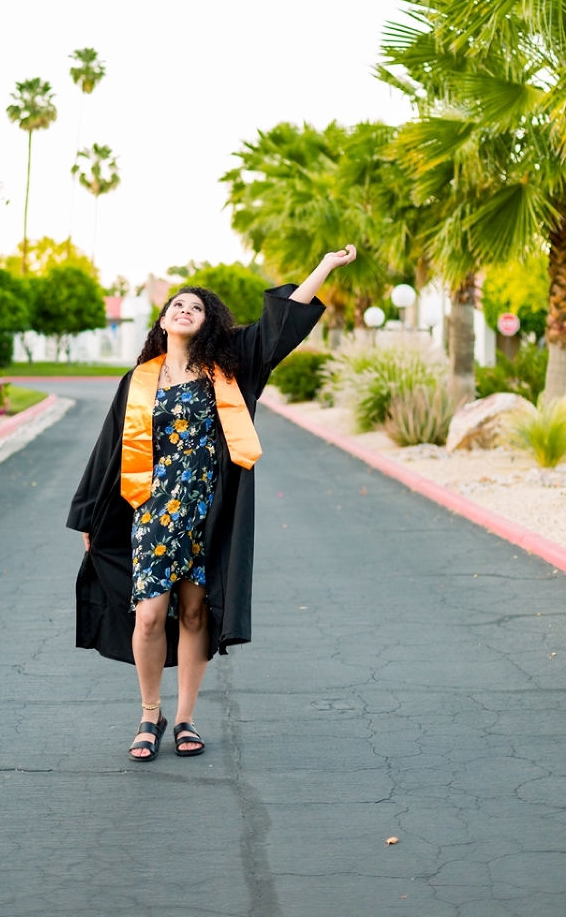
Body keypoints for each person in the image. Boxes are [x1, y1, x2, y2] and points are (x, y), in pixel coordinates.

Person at [67, 246, 356, 761]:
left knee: (197, 613)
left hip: (210, 510)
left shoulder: (230, 366)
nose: (185, 310)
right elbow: (109, 447)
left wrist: (325, 267)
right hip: (153, 511)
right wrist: (90, 514)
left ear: (208, 322)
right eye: (177, 305)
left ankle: (184, 718)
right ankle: (149, 713)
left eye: (195, 308)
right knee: (150, 615)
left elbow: (280, 323)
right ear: (162, 319)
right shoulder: (138, 381)